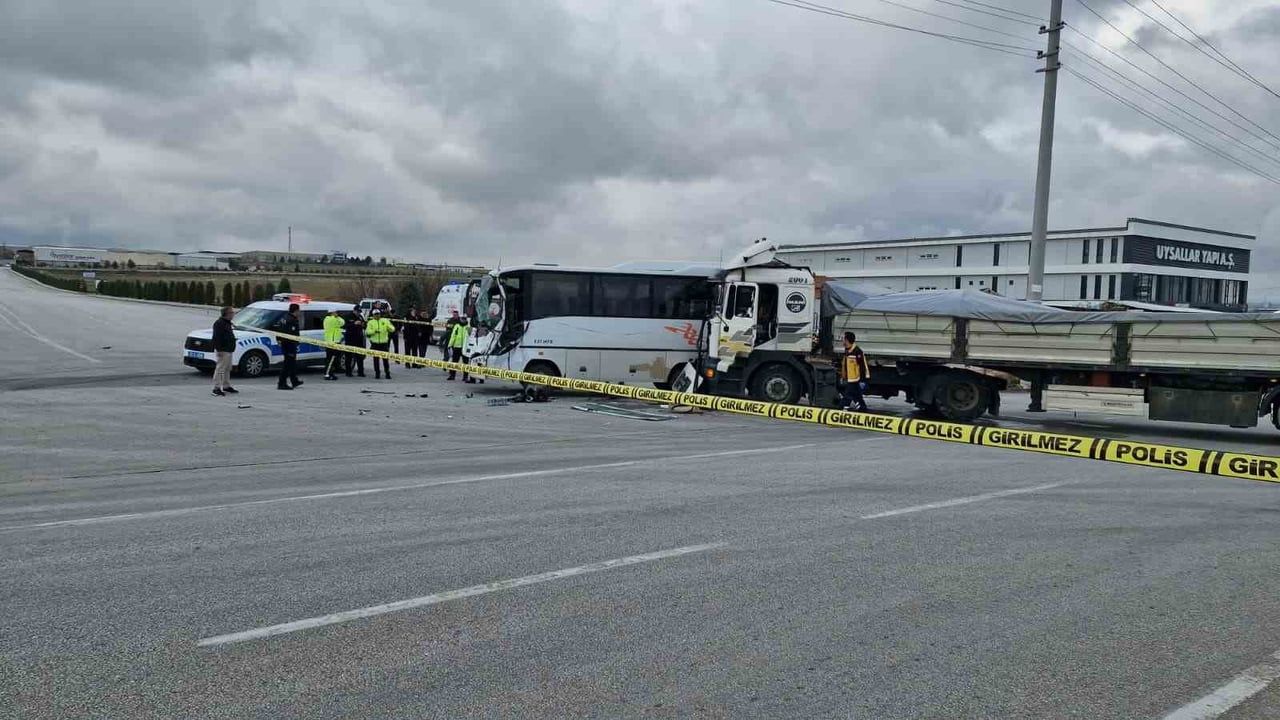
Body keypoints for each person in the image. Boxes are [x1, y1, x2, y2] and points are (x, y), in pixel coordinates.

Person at [211, 306, 238, 397]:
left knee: (227, 368)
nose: (233, 314)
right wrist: (219, 349)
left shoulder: (227, 323)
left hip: (229, 349)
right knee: (220, 369)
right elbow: (216, 337)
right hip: (223, 350)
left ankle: (226, 386)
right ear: (227, 314)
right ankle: (216, 388)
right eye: (231, 312)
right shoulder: (219, 323)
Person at [839, 331, 870, 412]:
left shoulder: (857, 351)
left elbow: (862, 366)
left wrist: (862, 380)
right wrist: (844, 376)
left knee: (848, 393)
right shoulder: (847, 350)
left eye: (843, 339)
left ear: (847, 340)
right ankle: (862, 408)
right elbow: (845, 365)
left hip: (858, 378)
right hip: (852, 377)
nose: (842, 341)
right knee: (856, 395)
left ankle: (844, 407)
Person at [275, 303, 303, 390]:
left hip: (286, 343)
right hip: (289, 345)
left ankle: (294, 380)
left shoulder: (284, 317)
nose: (299, 312)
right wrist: (295, 342)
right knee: (288, 364)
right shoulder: (292, 320)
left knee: (292, 363)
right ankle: (281, 383)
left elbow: (278, 329)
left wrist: (278, 339)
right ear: (296, 310)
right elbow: (292, 334)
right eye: (299, 310)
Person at [366, 309, 395, 379]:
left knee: (385, 359)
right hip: (375, 344)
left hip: (384, 343)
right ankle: (377, 373)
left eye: (378, 314)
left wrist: (389, 328)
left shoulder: (385, 321)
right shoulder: (370, 322)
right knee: (376, 360)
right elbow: (367, 332)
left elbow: (393, 328)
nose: (377, 315)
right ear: (373, 315)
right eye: (375, 314)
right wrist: (374, 331)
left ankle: (387, 373)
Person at [322, 308, 345, 380]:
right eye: (336, 313)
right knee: (331, 359)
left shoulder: (327, 319)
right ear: (332, 313)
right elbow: (342, 322)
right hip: (333, 342)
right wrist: (337, 317)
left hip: (330, 341)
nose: (337, 314)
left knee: (330, 359)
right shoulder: (332, 319)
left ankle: (330, 373)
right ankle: (328, 374)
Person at [344, 308, 366, 377]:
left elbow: (365, 325)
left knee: (360, 356)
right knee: (349, 357)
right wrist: (354, 323)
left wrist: (363, 325)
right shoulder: (348, 316)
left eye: (359, 312)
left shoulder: (360, 317)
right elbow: (345, 326)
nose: (358, 313)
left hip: (359, 339)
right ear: (354, 310)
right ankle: (348, 372)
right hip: (350, 339)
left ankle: (360, 372)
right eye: (357, 311)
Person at [446, 315, 468, 380]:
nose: (463, 320)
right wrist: (450, 345)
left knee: (465, 363)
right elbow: (453, 336)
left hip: (465, 347)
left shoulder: (468, 327)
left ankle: (465, 377)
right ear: (460, 319)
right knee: (454, 361)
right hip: (457, 346)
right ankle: (452, 375)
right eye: (462, 319)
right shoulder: (457, 326)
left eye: (464, 319)